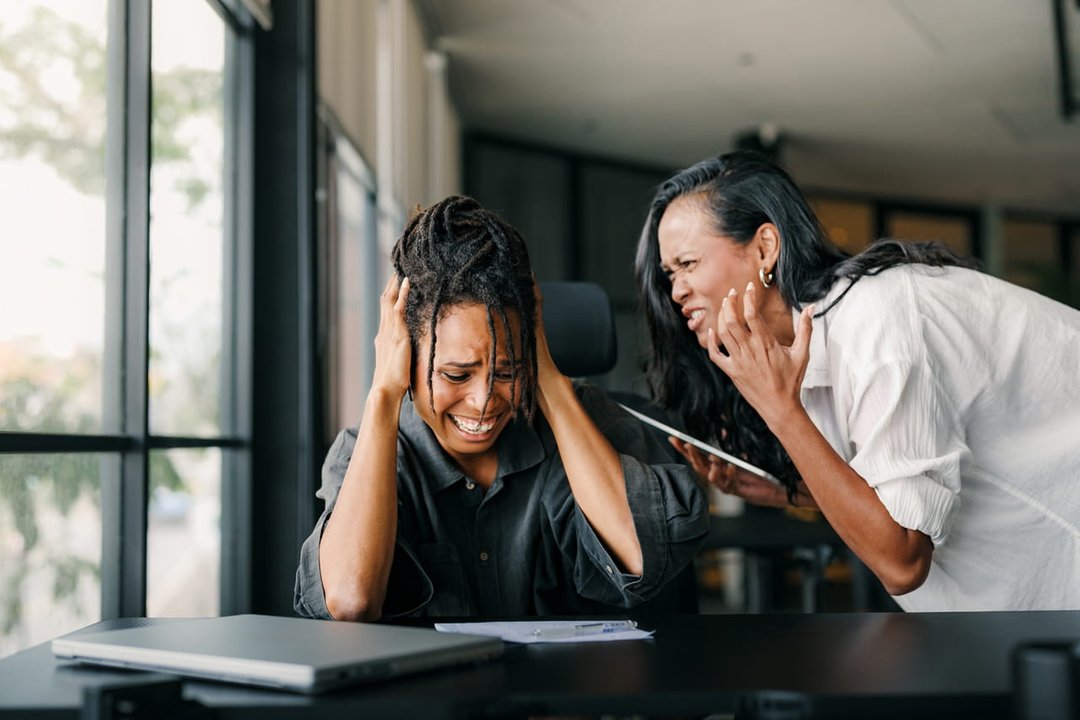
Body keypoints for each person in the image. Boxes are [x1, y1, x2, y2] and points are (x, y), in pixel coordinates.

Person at [634, 150, 1080, 612]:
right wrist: (789, 490)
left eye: (687, 264)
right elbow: (889, 497)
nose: (676, 291)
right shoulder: (817, 345)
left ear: (765, 248)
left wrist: (781, 410)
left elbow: (903, 559)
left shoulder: (878, 317)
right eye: (669, 273)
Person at [295, 195, 709, 620]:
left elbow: (639, 556)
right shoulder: (368, 449)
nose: (483, 402)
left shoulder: (586, 418)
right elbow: (349, 601)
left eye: (507, 371)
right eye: (457, 375)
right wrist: (383, 393)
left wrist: (545, 377)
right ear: (406, 358)